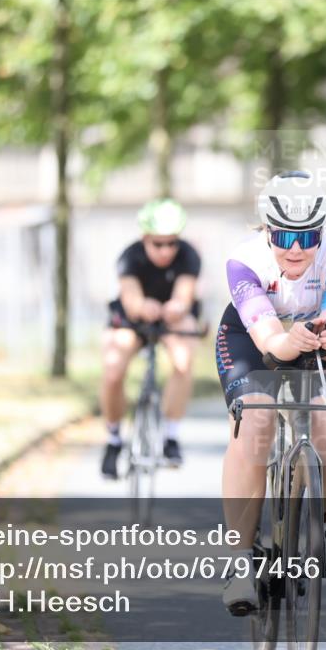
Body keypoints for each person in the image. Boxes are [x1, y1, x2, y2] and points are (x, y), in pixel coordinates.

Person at [218, 171, 326, 615]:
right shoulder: (244, 260)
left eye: (307, 237)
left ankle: (322, 524)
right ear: (266, 229)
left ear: (321, 233)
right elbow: (270, 341)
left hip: (315, 339)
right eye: (283, 236)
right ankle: (240, 559)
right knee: (255, 424)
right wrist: (286, 342)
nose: (296, 249)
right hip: (253, 341)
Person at [100, 199, 201, 478]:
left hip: (173, 317)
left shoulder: (189, 255)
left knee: (183, 361)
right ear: (145, 238)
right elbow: (131, 300)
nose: (166, 250)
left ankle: (171, 436)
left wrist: (176, 307)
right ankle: (113, 440)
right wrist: (144, 307)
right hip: (133, 319)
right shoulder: (129, 257)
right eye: (158, 244)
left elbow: (184, 294)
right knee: (112, 370)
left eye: (172, 243)